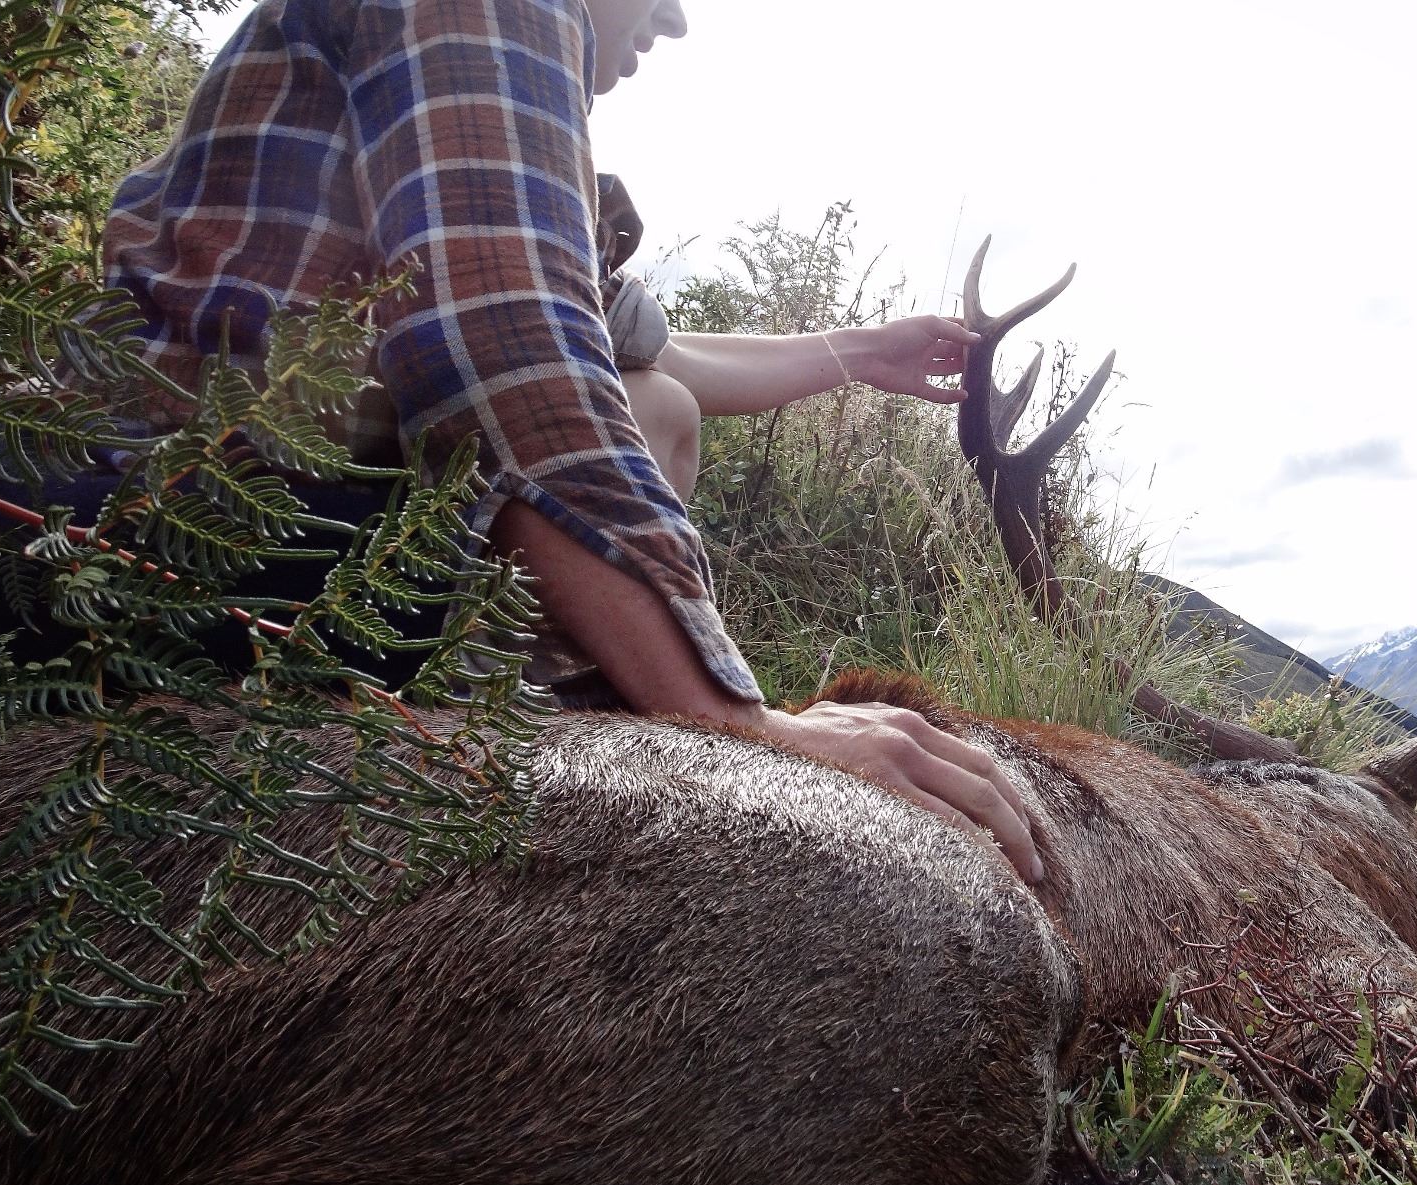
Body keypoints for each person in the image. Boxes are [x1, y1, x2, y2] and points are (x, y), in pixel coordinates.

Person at [101, 0, 1042, 884]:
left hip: (226, 504)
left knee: (656, 400)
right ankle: (498, 779)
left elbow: (640, 351)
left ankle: (541, 732)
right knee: (645, 411)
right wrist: (733, 720)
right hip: (214, 525)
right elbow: (508, 353)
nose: (673, 19)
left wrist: (864, 353)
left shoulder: (466, 106)